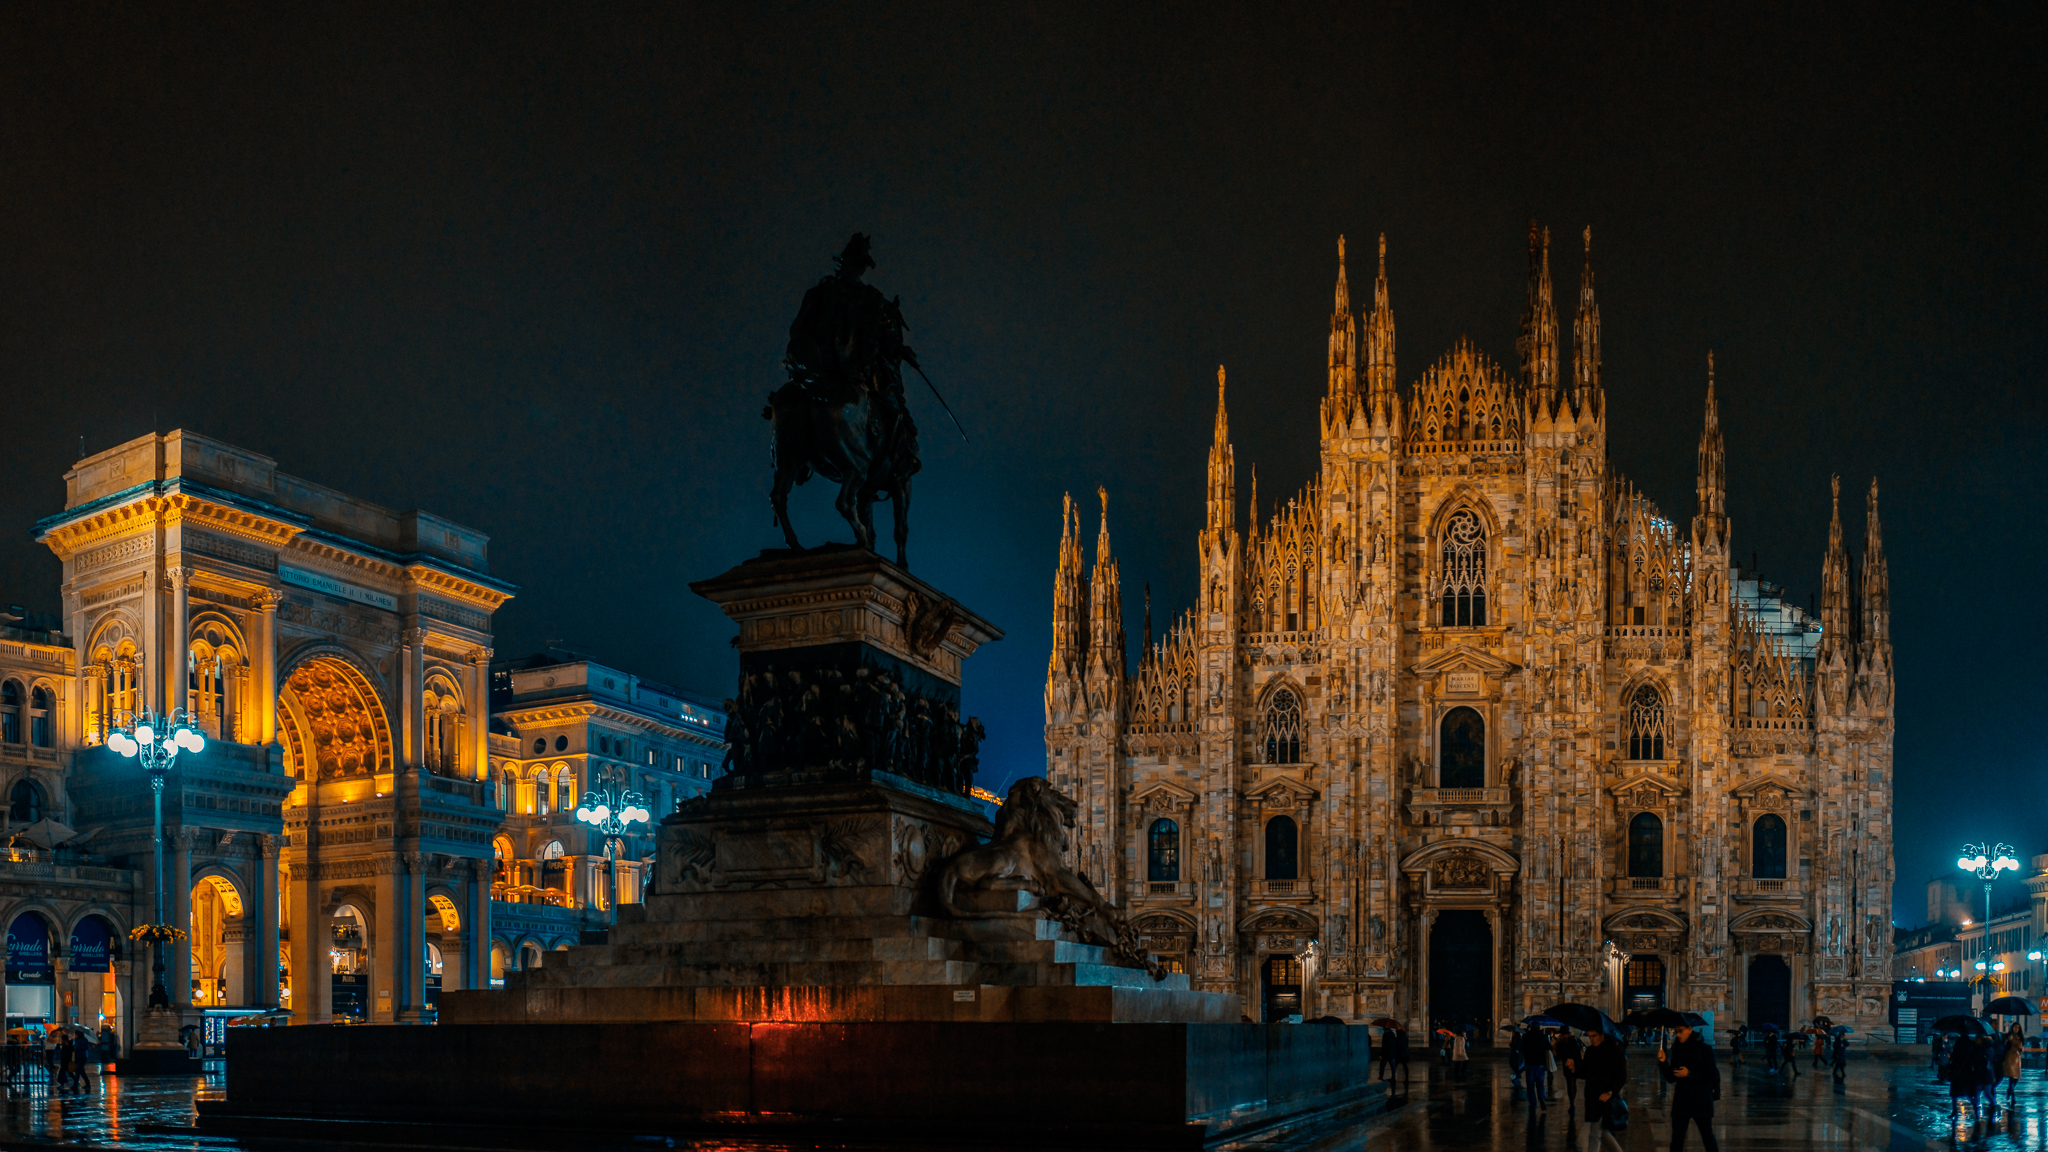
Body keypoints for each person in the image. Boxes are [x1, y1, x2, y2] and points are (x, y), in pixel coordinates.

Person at [1659, 1022, 1722, 1152]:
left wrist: (1690, 1074)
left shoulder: (1704, 1049)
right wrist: (1663, 1062)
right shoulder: (1677, 1049)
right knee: (1677, 1139)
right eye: (1676, 1031)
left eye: (1681, 1031)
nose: (1678, 1034)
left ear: (1689, 1029)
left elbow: (1712, 1075)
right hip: (1682, 1100)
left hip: (1701, 1099)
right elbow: (1671, 1078)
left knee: (1707, 1136)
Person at [1581, 1029, 1629, 1152]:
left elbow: (1622, 1076)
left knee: (1594, 1133)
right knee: (1601, 1131)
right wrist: (1574, 1067)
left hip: (1605, 1098)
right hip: (1592, 1097)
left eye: (1594, 1036)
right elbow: (1585, 1072)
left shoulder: (1614, 1051)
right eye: (1590, 1036)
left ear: (1602, 1035)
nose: (1591, 1039)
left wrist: (1611, 1092)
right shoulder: (1590, 1051)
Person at [1517, 1023, 1552, 1118]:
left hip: (1529, 1064)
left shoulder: (1526, 1036)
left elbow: (1521, 1049)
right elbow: (1549, 1048)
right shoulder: (1543, 1036)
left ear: (1530, 1027)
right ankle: (1541, 1097)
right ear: (1539, 1027)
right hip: (1540, 1064)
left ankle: (1533, 1104)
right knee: (1540, 1083)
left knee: (1530, 1085)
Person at [1555, 1027, 1585, 1112]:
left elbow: (1559, 1055)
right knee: (1573, 1083)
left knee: (1570, 1084)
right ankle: (1572, 1102)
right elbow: (1577, 1051)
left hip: (1568, 1064)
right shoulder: (1574, 1040)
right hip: (1576, 1064)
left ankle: (1572, 1103)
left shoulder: (1561, 1042)